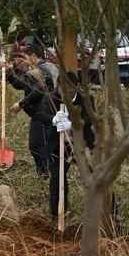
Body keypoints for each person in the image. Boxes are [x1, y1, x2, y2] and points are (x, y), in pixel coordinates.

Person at [46, 71, 95, 225]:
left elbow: (89, 119)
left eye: (71, 91)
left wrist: (72, 124)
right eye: (63, 90)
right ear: (57, 87)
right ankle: (58, 214)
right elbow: (41, 114)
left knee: (96, 176)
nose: (67, 93)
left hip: (82, 144)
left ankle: (109, 212)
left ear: (77, 87)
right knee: (56, 179)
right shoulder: (52, 98)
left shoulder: (86, 99)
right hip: (58, 145)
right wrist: (53, 120)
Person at [9, 45, 56, 179]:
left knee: (36, 146)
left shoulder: (41, 70)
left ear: (33, 56)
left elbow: (37, 90)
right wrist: (8, 71)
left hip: (42, 114)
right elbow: (22, 84)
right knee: (42, 145)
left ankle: (45, 174)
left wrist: (21, 104)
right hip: (42, 113)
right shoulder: (38, 70)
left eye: (27, 57)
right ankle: (46, 173)